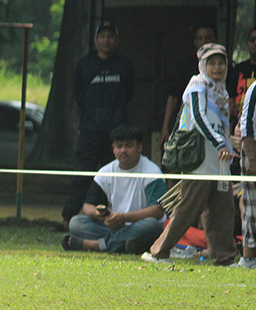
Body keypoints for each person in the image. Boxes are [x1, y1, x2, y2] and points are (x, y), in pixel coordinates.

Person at [142, 43, 237, 266]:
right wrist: (218, 143)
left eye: (221, 63)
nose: (217, 67)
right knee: (188, 207)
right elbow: (198, 117)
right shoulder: (197, 84)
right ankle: (158, 251)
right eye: (211, 63)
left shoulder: (221, 90)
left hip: (220, 160)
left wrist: (228, 147)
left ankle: (225, 257)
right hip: (201, 160)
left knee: (222, 209)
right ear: (202, 65)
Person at [60, 20, 135, 225]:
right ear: (95, 40)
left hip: (116, 132)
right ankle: (69, 217)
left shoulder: (124, 66)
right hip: (90, 131)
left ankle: (111, 217)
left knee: (113, 174)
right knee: (83, 173)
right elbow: (78, 94)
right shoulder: (85, 65)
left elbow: (128, 93)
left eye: (110, 36)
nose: (106, 40)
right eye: (102, 36)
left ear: (116, 40)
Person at [61, 124, 166, 254]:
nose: (123, 150)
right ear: (113, 148)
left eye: (128, 146)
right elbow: (87, 206)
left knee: (152, 225)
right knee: (76, 223)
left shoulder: (152, 172)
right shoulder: (106, 171)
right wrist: (101, 215)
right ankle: (129, 245)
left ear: (139, 147)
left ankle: (96, 245)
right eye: (119, 146)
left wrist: (124, 218)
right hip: (112, 226)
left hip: (138, 225)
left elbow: (158, 211)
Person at [160, 23, 216, 143]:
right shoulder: (185, 67)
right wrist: (165, 128)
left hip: (216, 125)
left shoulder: (225, 68)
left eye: (208, 38)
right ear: (195, 42)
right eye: (200, 38)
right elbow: (173, 98)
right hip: (189, 126)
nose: (204, 41)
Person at [236, 75, 256, 269]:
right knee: (253, 206)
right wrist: (252, 158)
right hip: (255, 148)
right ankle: (249, 258)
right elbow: (246, 125)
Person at [227, 24, 256, 133]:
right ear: (247, 43)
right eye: (252, 39)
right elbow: (231, 98)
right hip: (238, 125)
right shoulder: (239, 68)